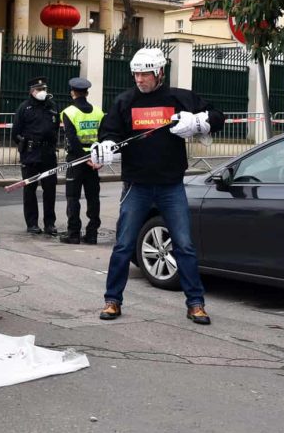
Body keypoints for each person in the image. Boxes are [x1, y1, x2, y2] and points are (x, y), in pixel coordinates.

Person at [91, 47, 223, 325]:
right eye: (136, 74)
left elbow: (217, 116)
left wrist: (198, 122)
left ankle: (195, 303)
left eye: (145, 74)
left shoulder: (179, 98)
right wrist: (106, 147)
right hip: (136, 186)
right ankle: (112, 300)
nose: (140, 79)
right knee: (123, 245)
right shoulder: (125, 102)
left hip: (170, 186)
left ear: (160, 72)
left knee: (184, 245)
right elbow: (109, 133)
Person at [12, 75, 60, 235]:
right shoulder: (24, 108)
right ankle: (32, 223)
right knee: (30, 190)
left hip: (48, 154)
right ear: (32, 91)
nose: (42, 92)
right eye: (39, 89)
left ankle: (50, 224)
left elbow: (55, 129)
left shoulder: (52, 106)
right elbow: (15, 132)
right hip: (30, 154)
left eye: (44, 89)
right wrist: (25, 146)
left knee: (50, 190)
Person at [59, 77, 104, 244]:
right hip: (94, 160)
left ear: (72, 93)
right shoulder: (98, 112)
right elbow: (103, 137)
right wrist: (95, 159)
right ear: (87, 93)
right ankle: (92, 234)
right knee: (93, 198)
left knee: (73, 197)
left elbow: (72, 139)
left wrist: (84, 159)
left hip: (76, 160)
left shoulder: (69, 112)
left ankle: (73, 234)